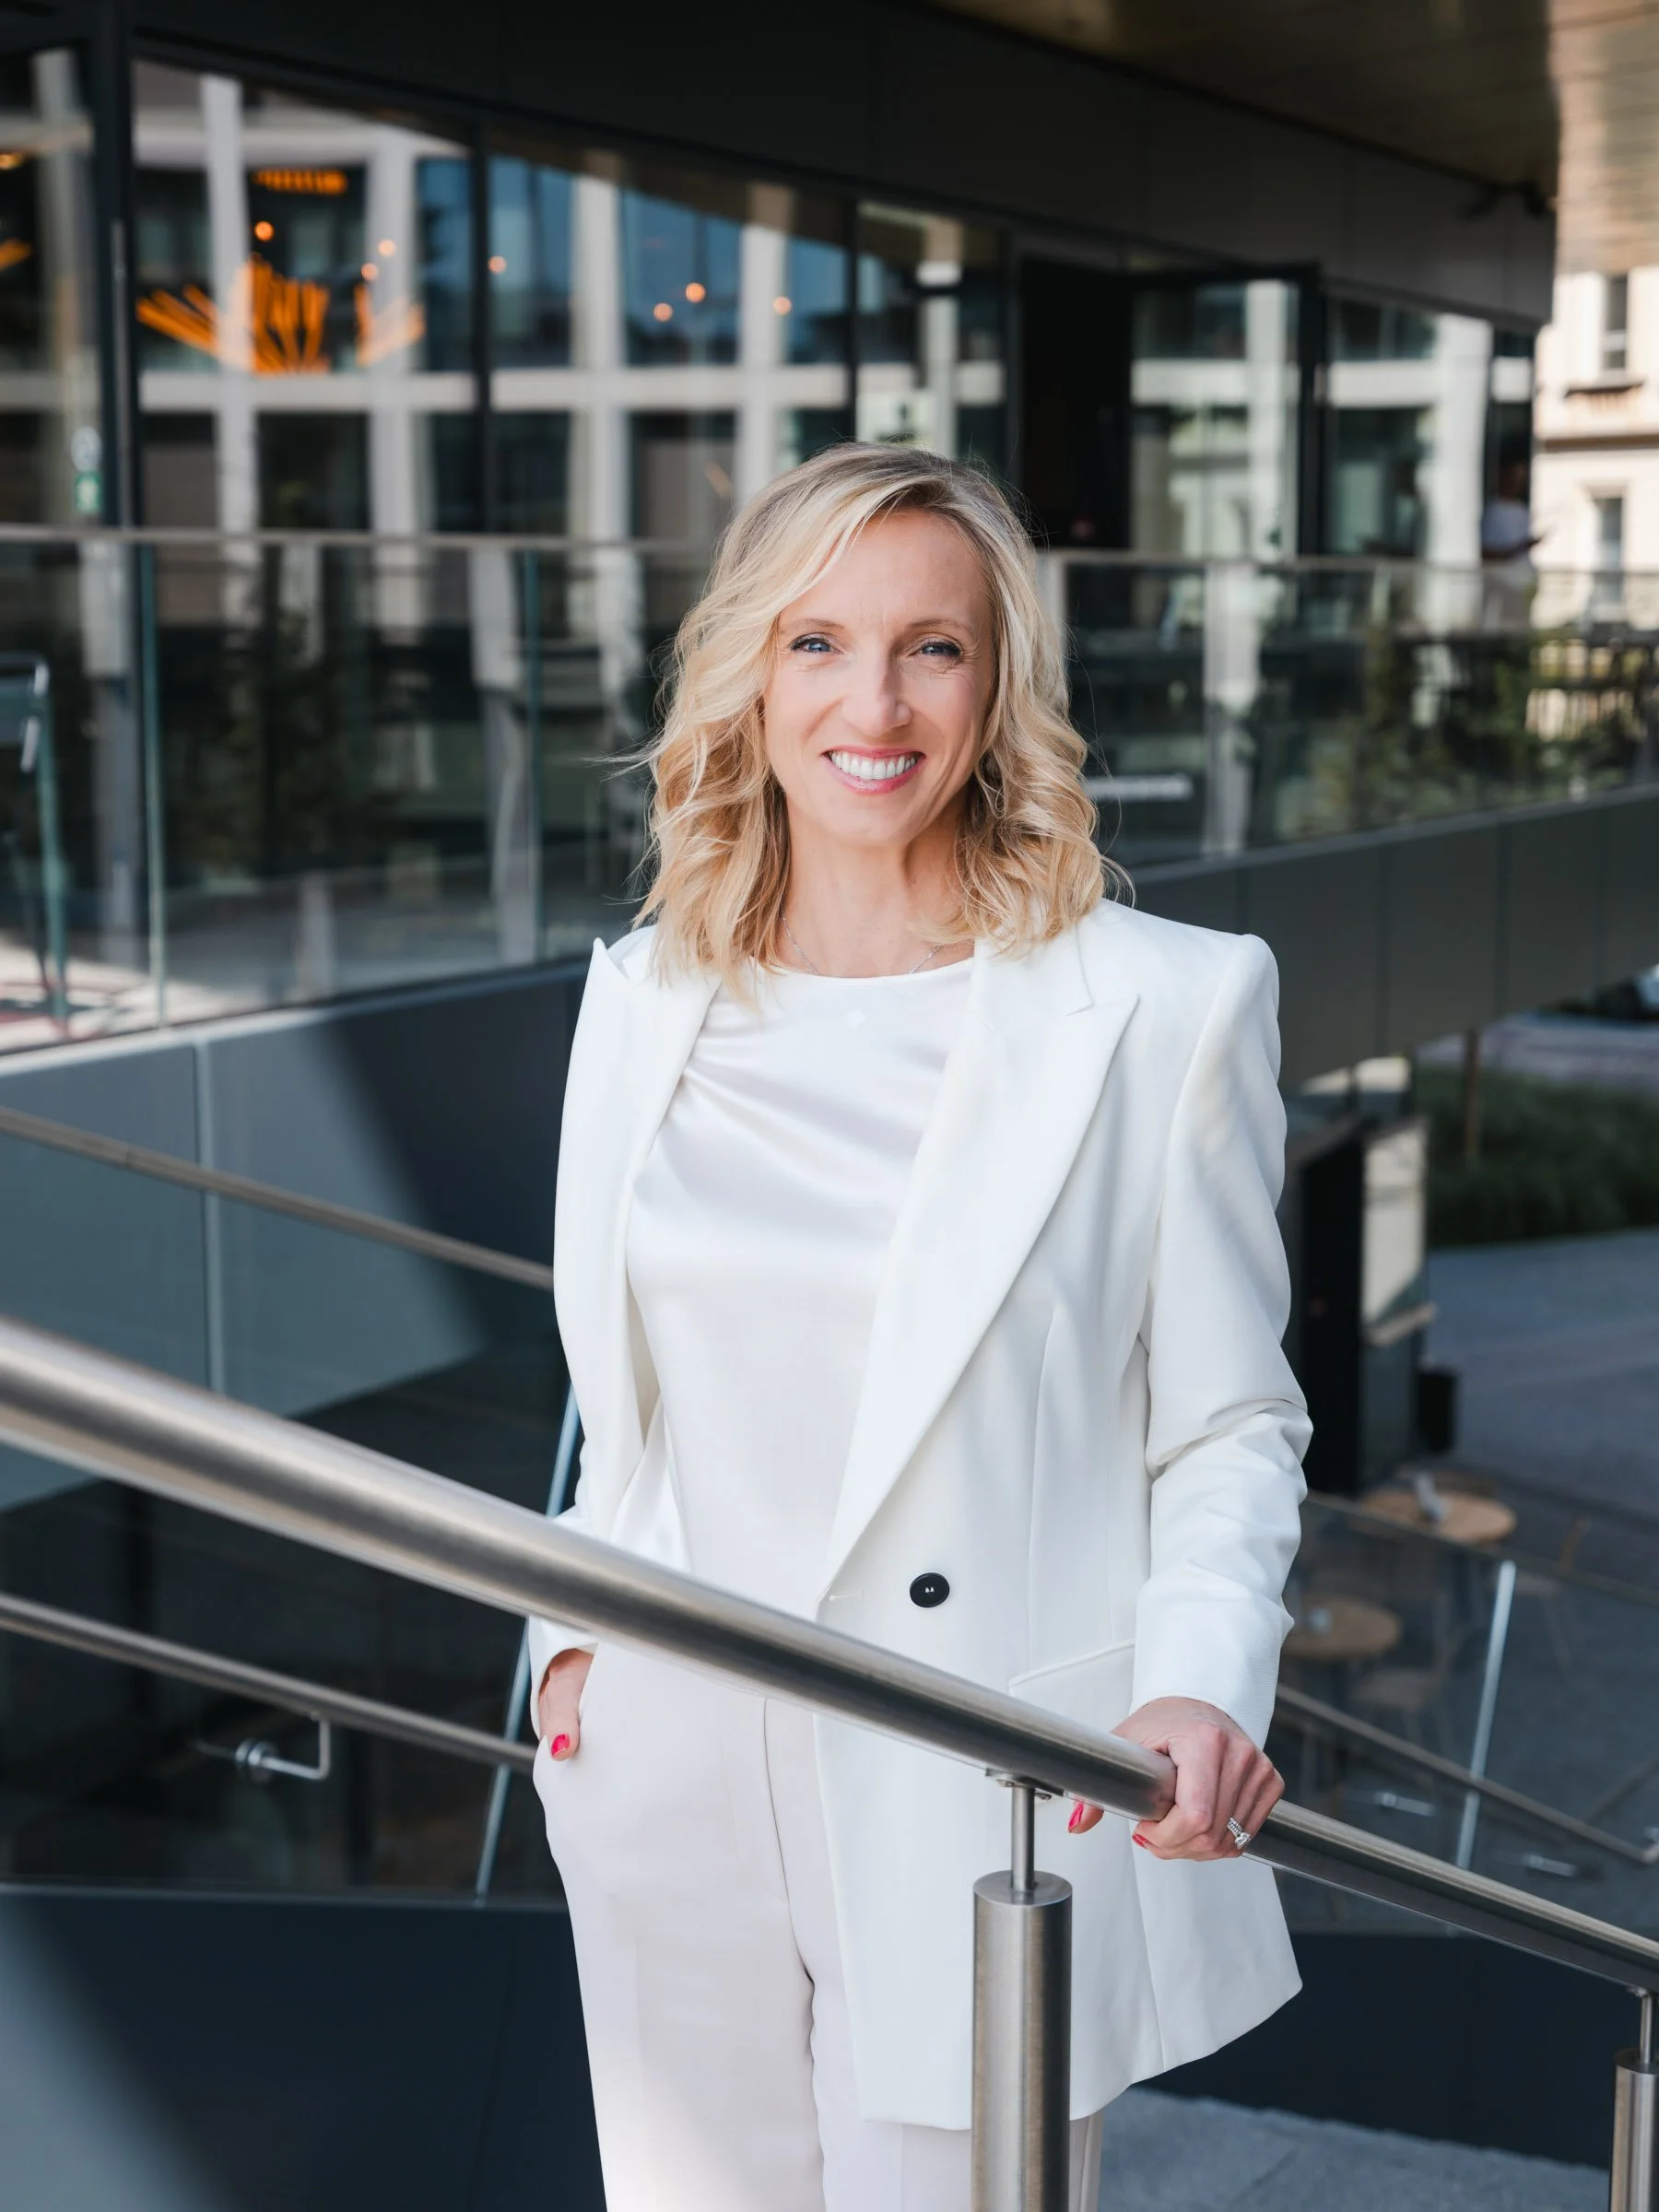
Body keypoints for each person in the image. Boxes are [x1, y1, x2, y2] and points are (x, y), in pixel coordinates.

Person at [527, 443, 1310, 2212]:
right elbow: (621, 1405)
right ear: (750, 669)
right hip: (664, 1751)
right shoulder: (645, 1002)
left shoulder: (1164, 1007)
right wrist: (563, 1644)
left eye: (931, 650)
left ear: (998, 681)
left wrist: (1200, 1679)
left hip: (976, 1776)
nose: (871, 704)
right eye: (817, 643)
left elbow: (1229, 1423)